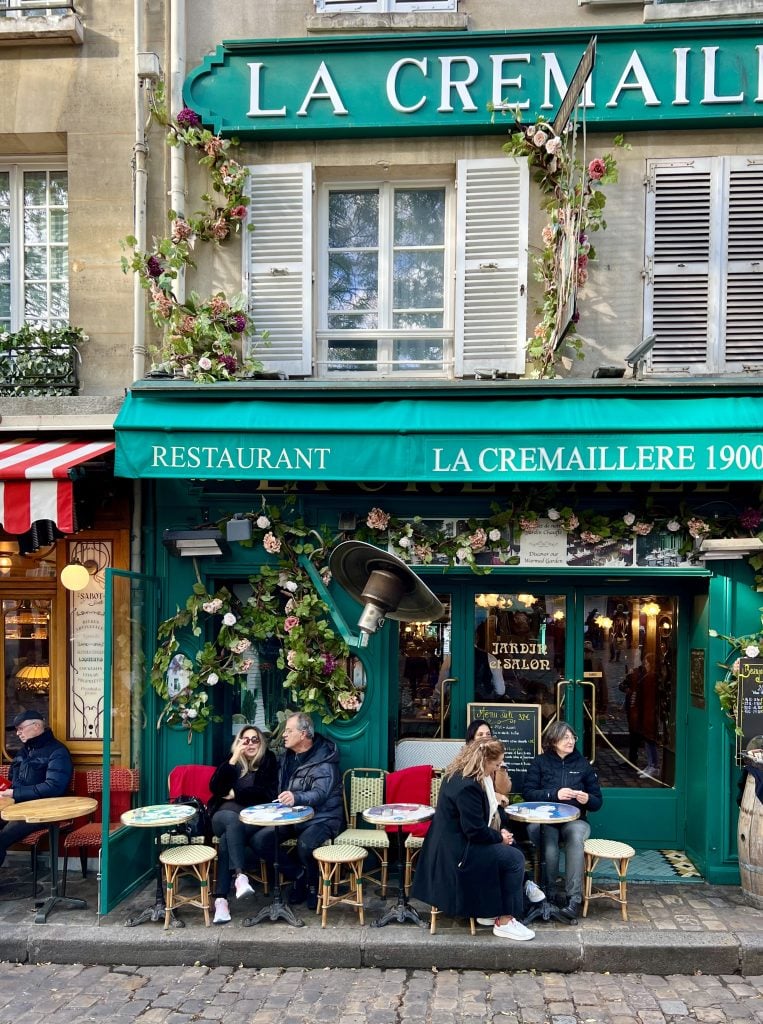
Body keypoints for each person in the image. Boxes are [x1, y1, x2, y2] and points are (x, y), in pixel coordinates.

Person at [411, 737, 535, 940]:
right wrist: (499, 838)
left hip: (447, 848)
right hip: (459, 853)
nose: (496, 769)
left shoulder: (455, 775)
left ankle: (489, 910)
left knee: (509, 853)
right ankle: (505, 920)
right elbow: (474, 831)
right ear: (483, 761)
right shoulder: (468, 787)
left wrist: (498, 835)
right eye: (495, 764)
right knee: (515, 859)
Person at [250, 711, 343, 911]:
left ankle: (312, 885)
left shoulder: (324, 759)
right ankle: (298, 875)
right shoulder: (287, 758)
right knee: (260, 840)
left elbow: (321, 794)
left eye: (289, 730)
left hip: (322, 818)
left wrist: (296, 797)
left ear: (303, 734)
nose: (284, 734)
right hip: (290, 817)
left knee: (305, 844)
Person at [523, 720, 602, 921]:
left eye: (572, 737)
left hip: (575, 818)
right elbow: (528, 793)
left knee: (575, 840)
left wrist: (587, 798)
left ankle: (573, 898)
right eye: (565, 737)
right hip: (546, 819)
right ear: (553, 740)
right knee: (549, 846)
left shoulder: (582, 764)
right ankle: (548, 894)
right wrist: (554, 794)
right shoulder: (540, 762)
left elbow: (597, 802)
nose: (570, 741)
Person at [209, 724, 278, 925]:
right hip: (222, 816)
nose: (250, 744)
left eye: (254, 739)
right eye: (245, 740)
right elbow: (215, 788)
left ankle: (221, 900)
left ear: (261, 743)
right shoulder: (230, 761)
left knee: (225, 841)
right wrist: (232, 760)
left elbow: (268, 794)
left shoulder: (268, 761)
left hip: (251, 819)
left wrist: (237, 794)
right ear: (239, 742)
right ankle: (239, 876)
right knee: (231, 821)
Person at [0, 710, 73, 870]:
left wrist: (13, 793)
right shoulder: (22, 752)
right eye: (17, 730)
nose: (18, 733)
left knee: (1, 839)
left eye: (21, 728)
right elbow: (13, 780)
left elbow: (53, 787)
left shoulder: (58, 751)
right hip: (14, 807)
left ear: (36, 726)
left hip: (42, 812)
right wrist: (6, 790)